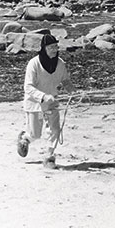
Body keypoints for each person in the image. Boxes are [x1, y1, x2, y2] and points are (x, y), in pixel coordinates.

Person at [17, 34, 76, 168]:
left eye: (56, 46)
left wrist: (71, 90)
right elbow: (28, 87)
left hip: (51, 102)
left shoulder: (60, 63)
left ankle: (50, 157)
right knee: (35, 134)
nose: (54, 50)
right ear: (44, 48)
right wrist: (43, 96)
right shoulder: (34, 63)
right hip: (35, 103)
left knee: (55, 129)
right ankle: (24, 139)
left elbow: (65, 80)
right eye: (51, 47)